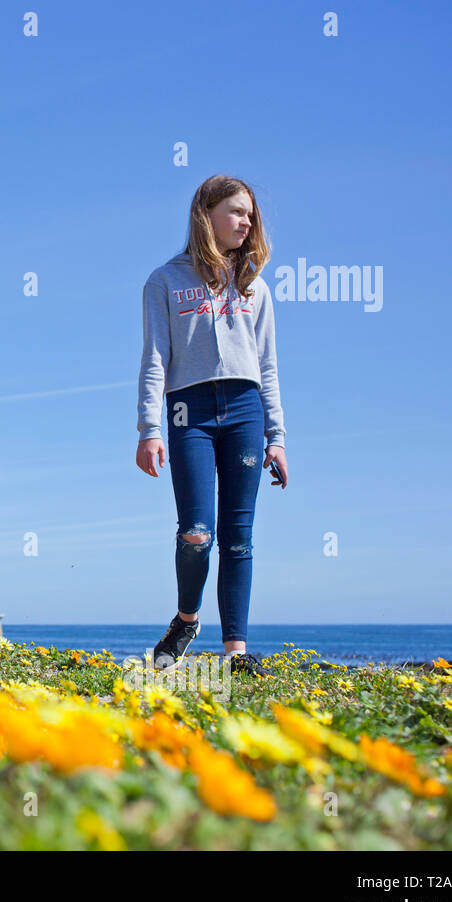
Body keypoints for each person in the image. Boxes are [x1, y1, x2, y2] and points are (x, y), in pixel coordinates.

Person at [136, 174, 289, 677]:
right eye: (236, 211)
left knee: (238, 537)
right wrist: (148, 428)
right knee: (196, 533)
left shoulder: (256, 287)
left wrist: (278, 438)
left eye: (250, 215)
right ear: (207, 214)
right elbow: (155, 358)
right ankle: (186, 620)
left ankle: (235, 654)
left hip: (245, 408)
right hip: (189, 411)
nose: (246, 221)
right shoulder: (165, 280)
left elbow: (267, 366)